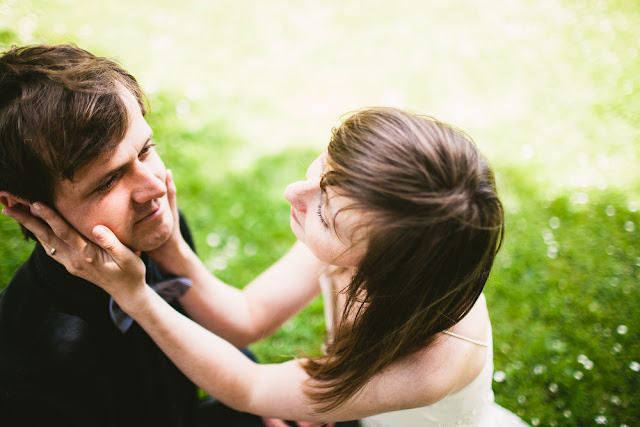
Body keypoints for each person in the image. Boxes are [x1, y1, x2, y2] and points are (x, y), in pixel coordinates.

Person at [6, 107, 530, 426]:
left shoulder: (433, 363)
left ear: (378, 269)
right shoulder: (370, 233)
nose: (293, 194)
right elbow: (249, 316)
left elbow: (250, 388)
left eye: (321, 211)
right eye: (323, 170)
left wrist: (136, 295)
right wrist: (166, 244)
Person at [0, 44, 319, 426]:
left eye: (146, 148)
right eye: (109, 181)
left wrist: (266, 403)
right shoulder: (30, 354)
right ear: (21, 206)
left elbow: (207, 331)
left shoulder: (154, 231)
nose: (152, 188)